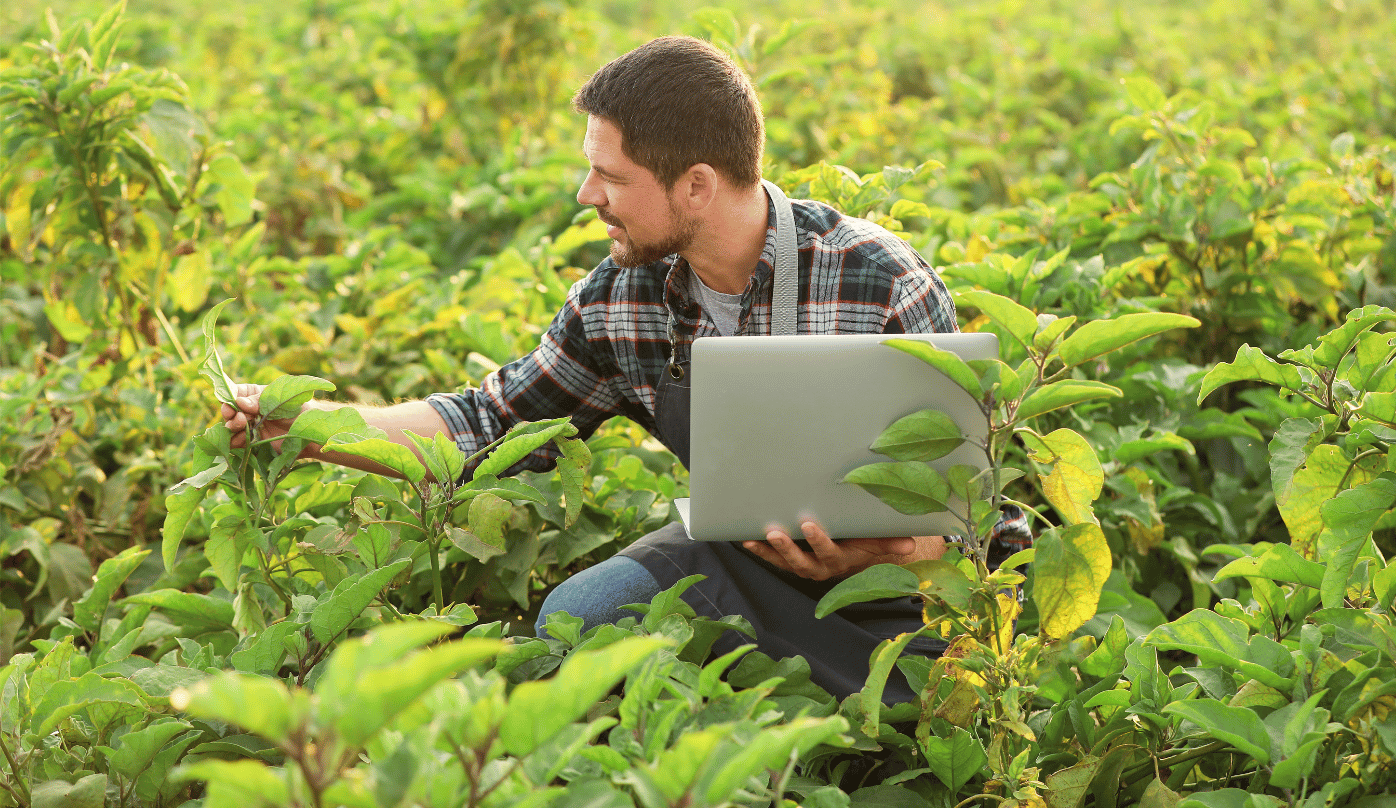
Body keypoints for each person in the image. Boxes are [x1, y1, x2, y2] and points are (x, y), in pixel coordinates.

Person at [223, 35, 1031, 702]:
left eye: (610, 177)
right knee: (580, 621)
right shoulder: (621, 297)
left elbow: (964, 525)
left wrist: (877, 557)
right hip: (740, 560)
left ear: (697, 186)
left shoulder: (881, 281)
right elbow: (486, 423)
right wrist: (302, 425)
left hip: (907, 593)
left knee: (935, 705)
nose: (586, 195)